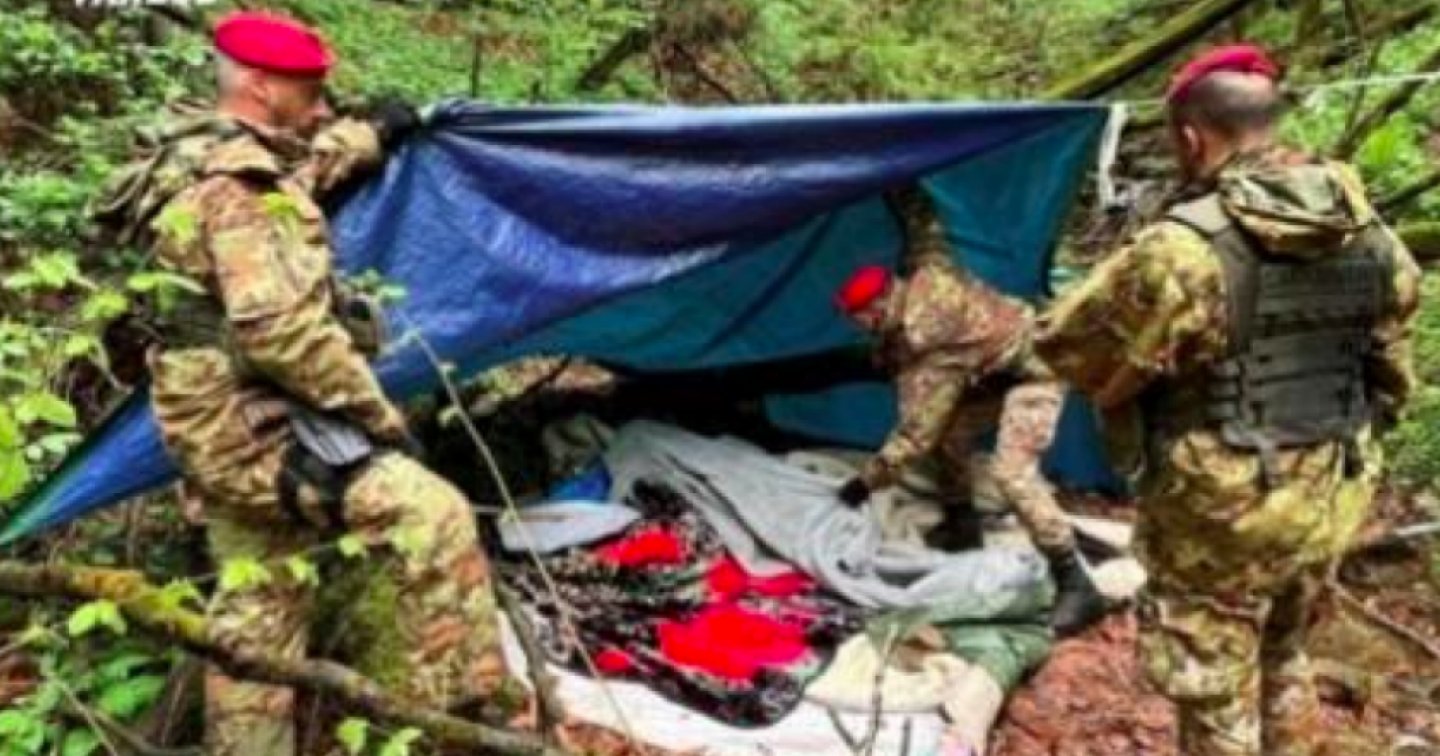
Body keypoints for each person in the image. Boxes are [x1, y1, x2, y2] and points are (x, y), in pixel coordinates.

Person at [93, 11, 509, 755]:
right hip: (251, 426)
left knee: (259, 598)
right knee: (435, 517)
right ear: (259, 87)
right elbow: (282, 334)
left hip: (203, 418)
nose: (321, 108)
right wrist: (381, 420)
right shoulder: (239, 190)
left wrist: (371, 134)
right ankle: (447, 727)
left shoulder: (198, 152)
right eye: (309, 92)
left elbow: (303, 171)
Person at [1034, 44, 1419, 756]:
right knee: (1285, 654)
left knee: (1215, 691)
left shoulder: (1183, 249)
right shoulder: (1374, 237)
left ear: (1190, 137)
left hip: (1221, 511)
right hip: (1329, 490)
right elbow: (1392, 375)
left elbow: (1069, 348)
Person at [834, 185, 1105, 636]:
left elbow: (915, 435)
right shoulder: (928, 271)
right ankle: (962, 525)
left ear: (876, 309)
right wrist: (905, 190)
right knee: (954, 434)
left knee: (1011, 473)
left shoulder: (926, 345)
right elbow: (928, 231)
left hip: (1038, 372)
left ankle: (1075, 582)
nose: (855, 326)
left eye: (857, 318)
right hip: (996, 371)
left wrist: (862, 485)